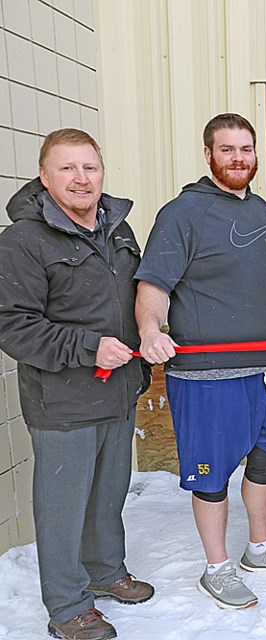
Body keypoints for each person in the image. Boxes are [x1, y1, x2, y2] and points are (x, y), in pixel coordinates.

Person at [135, 113, 266, 610]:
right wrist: (150, 330)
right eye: (227, 150)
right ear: (208, 155)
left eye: (246, 150)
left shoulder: (261, 210)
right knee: (211, 478)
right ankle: (216, 567)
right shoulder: (182, 213)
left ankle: (260, 548)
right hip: (210, 377)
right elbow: (154, 285)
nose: (239, 159)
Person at [0, 129, 154, 639]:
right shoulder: (24, 241)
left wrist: (147, 346)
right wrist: (88, 347)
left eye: (89, 167)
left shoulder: (118, 229)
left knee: (108, 494)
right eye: (67, 168)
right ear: (44, 176)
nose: (81, 178)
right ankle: (67, 607)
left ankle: (105, 572)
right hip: (62, 400)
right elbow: (13, 325)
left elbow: (131, 304)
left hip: (118, 389)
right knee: (64, 505)